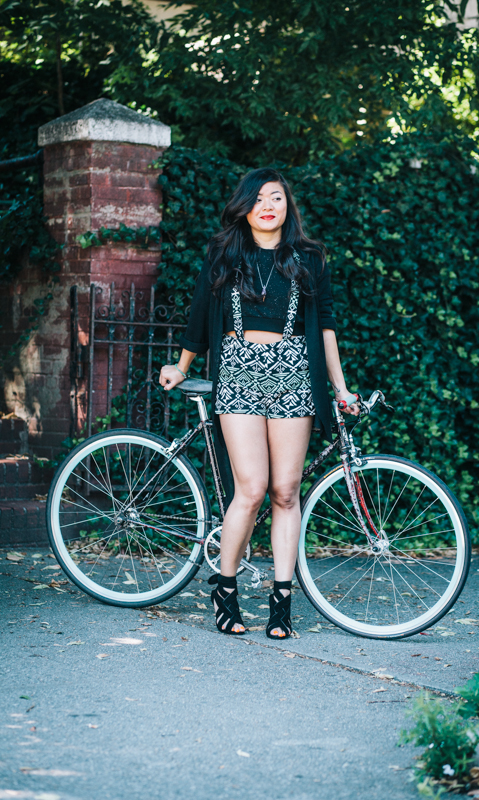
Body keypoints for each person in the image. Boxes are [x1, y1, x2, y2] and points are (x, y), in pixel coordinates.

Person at [159, 167, 359, 639]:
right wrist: (182, 366)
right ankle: (224, 588)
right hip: (238, 373)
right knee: (250, 490)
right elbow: (200, 315)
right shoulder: (225, 253)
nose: (269, 206)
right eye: (259, 199)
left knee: (286, 491)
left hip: (294, 375)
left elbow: (326, 327)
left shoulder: (309, 258)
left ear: (288, 207)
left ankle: (281, 601)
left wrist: (341, 388)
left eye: (277, 198)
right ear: (245, 207)